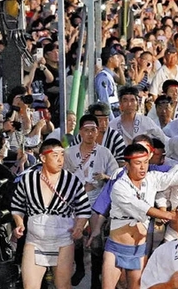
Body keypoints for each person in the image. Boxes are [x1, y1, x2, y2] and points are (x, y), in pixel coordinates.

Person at [103, 144, 178, 289]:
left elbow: (177, 179)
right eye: (138, 163)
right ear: (127, 165)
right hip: (116, 249)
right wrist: (170, 215)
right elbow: (143, 208)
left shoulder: (152, 178)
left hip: (139, 249)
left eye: (146, 162)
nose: (143, 167)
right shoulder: (119, 186)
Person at [11, 139, 91, 289]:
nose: (60, 159)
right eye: (55, 155)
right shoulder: (28, 179)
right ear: (43, 158)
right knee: (30, 286)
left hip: (63, 239)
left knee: (62, 285)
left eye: (62, 154)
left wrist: (79, 227)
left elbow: (84, 209)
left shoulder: (72, 180)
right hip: (35, 239)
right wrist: (19, 224)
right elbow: (17, 205)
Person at [64, 114, 120, 286]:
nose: (90, 134)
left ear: (97, 132)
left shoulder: (104, 153)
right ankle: (80, 268)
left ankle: (96, 277)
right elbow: (62, 177)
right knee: (77, 237)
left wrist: (104, 176)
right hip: (76, 201)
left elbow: (117, 176)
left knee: (96, 241)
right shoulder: (69, 153)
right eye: (86, 130)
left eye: (93, 130)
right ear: (80, 132)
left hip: (97, 201)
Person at [96, 46, 125, 118]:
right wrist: (111, 119)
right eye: (117, 57)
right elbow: (104, 100)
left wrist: (120, 67)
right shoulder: (103, 76)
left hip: (116, 110)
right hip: (112, 112)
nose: (119, 60)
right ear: (110, 59)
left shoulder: (109, 73)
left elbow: (122, 82)